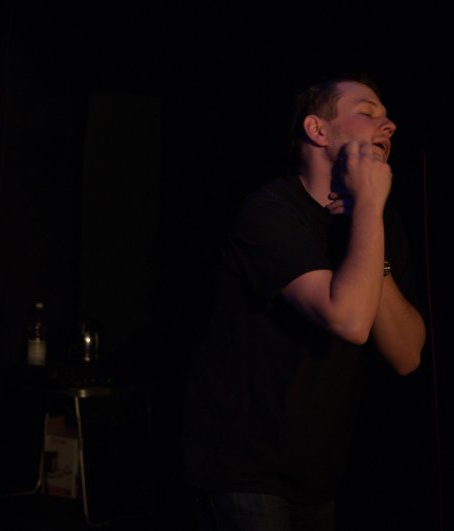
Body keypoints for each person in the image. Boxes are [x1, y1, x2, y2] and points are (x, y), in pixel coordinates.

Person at [181, 75, 426, 531]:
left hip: (315, 476)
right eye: (368, 113)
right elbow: (349, 320)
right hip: (244, 472)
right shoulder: (270, 211)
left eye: (387, 116)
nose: (389, 125)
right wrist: (369, 210)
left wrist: (370, 224)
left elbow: (407, 355)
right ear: (318, 130)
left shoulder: (375, 223)